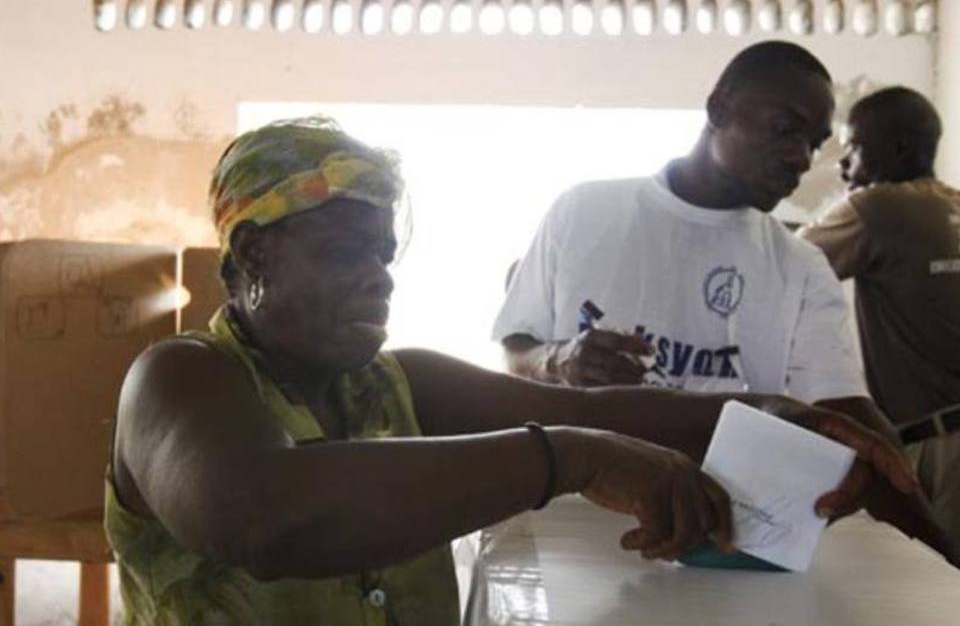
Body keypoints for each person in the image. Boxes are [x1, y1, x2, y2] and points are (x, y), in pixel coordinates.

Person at [105, 117, 916, 624]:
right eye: (347, 251)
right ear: (252, 254)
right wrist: (565, 458)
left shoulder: (401, 384)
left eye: (386, 254)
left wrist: (778, 414)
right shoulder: (178, 381)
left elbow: (627, 418)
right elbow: (264, 518)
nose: (381, 276)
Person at [492, 42, 958, 562]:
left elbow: (842, 410)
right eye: (785, 129)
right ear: (718, 108)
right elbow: (517, 347)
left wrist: (941, 549)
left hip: (720, 541)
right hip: (569, 533)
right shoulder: (582, 213)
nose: (802, 157)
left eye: (814, 141)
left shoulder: (799, 265)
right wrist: (559, 358)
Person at [799, 86, 960, 541]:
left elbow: (783, 264)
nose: (844, 166)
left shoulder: (878, 207)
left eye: (853, 149)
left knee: (938, 593)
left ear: (899, 149)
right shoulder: (950, 204)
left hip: (940, 446)